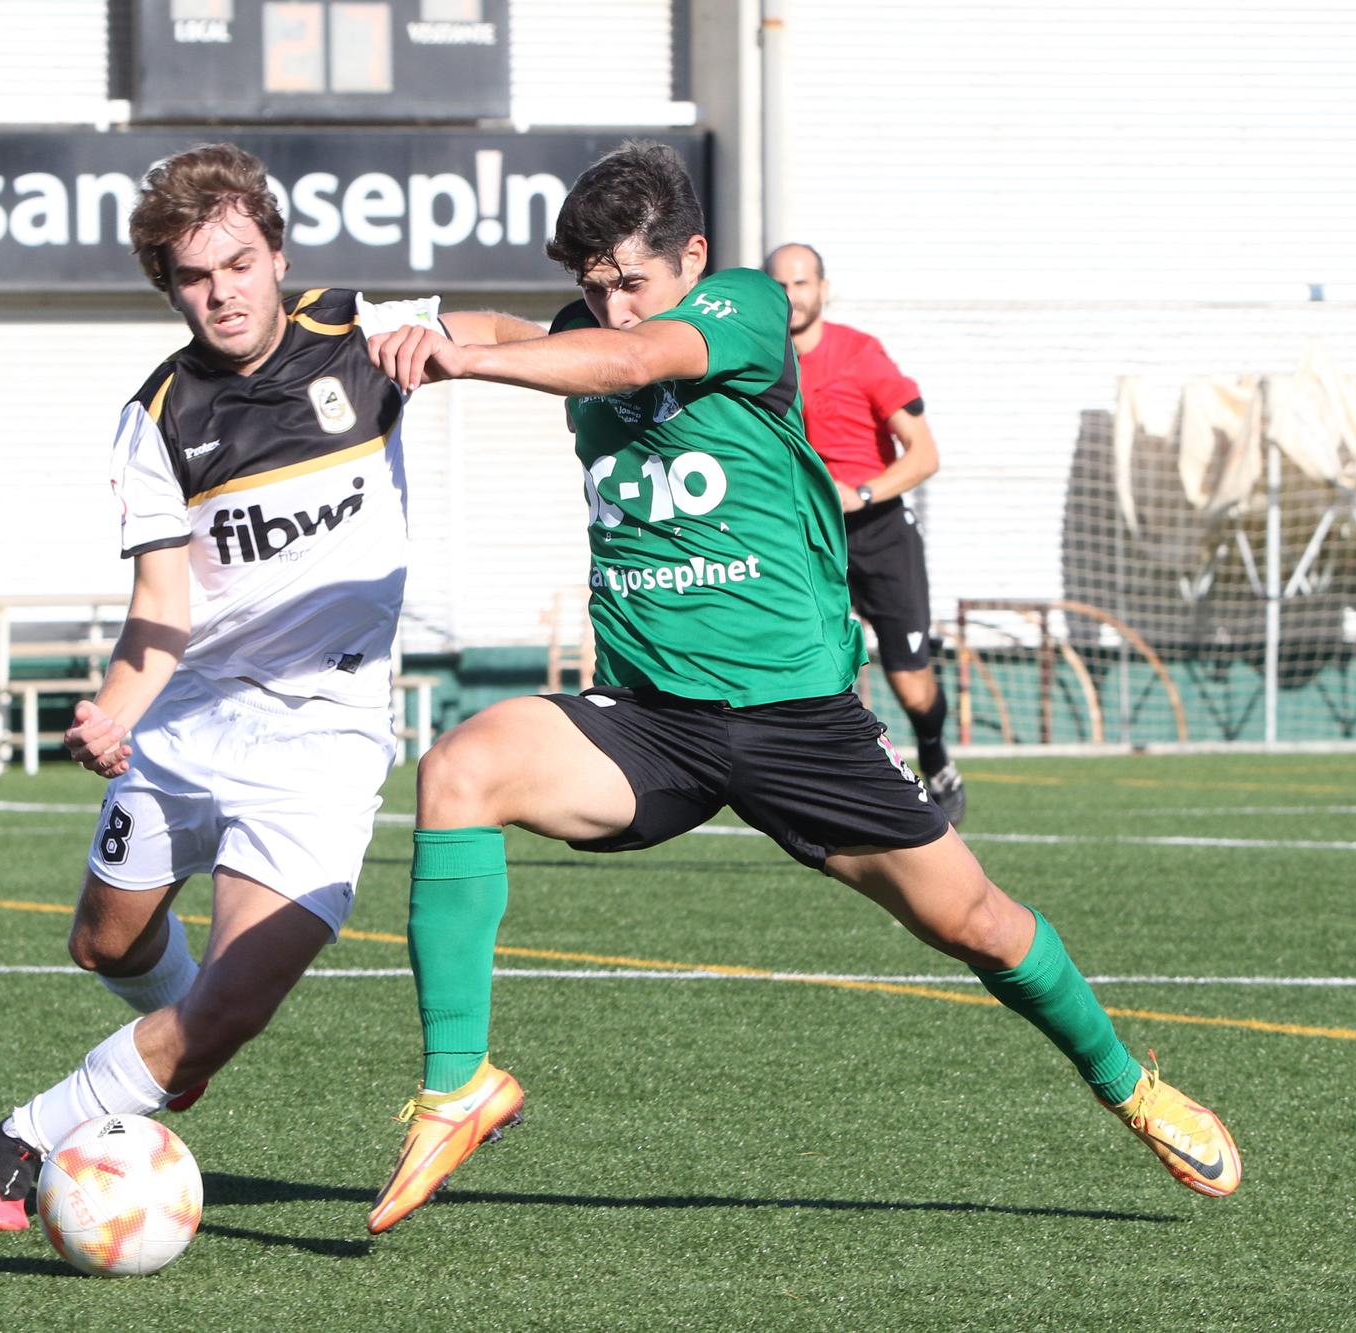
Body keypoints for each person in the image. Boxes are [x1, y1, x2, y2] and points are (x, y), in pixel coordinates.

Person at [361, 141, 1241, 1235]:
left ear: (691, 255)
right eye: (593, 289)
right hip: (652, 724)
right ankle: (458, 1086)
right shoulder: (588, 322)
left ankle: (1128, 1086)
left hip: (798, 722)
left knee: (976, 923)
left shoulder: (741, 310)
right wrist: (387, 324)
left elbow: (628, 365)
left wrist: (461, 363)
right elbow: (510, 331)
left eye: (630, 281)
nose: (610, 305)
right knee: (459, 766)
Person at [0, 142, 526, 1230]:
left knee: (235, 993)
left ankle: (25, 1134)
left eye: (236, 263)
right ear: (167, 288)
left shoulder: (355, 333)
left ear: (275, 251)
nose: (219, 292)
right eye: (192, 277)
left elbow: (501, 333)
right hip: (188, 716)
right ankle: (173, 1050)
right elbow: (160, 604)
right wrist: (114, 713)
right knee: (104, 943)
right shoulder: (159, 416)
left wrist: (564, 355)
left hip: (327, 736)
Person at [765, 242, 963, 825]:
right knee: (810, 669)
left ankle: (934, 751)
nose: (791, 296)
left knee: (911, 684)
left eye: (801, 284)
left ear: (823, 289)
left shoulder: (861, 355)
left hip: (878, 533)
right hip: (803, 540)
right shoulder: (755, 360)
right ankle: (825, 789)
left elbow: (924, 454)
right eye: (778, 285)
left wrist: (864, 492)